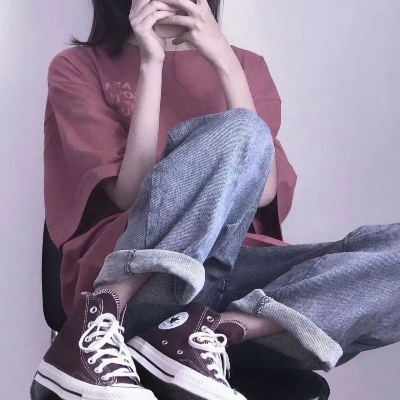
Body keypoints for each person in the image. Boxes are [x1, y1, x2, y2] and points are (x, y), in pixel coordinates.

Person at [31, 0, 400, 399]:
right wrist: (151, 65)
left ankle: (203, 334)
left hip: (230, 286)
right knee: (242, 129)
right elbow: (130, 194)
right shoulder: (78, 66)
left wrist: (224, 61)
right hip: (137, 281)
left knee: (248, 132)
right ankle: (99, 316)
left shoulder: (247, 65)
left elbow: (263, 192)